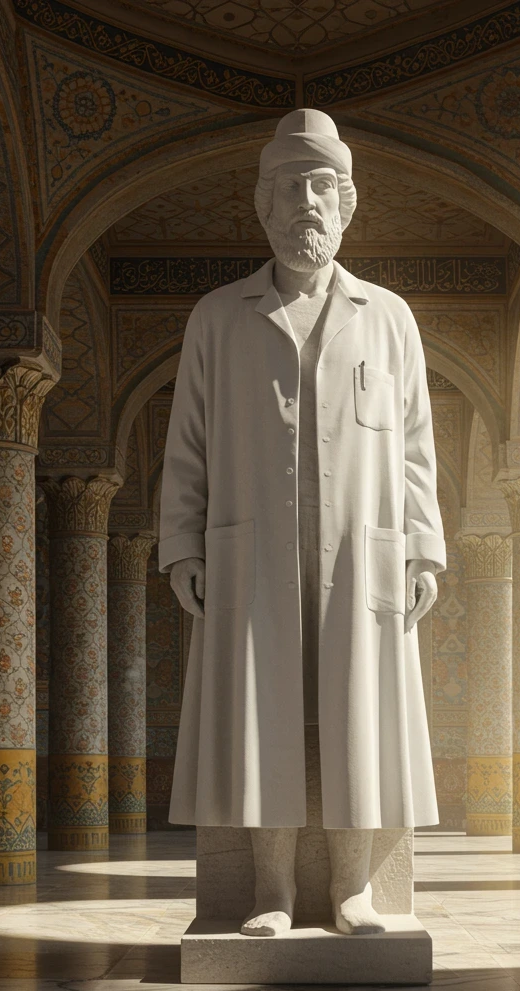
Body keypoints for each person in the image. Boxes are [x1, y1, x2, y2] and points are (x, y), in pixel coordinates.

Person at [159, 108, 445, 937]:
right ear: (263, 205)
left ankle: (352, 892)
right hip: (252, 557)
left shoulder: (389, 319)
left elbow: (419, 448)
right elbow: (189, 443)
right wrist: (182, 543)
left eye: (322, 186)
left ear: (348, 204)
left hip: (365, 558)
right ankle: (272, 893)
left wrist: (423, 546)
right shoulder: (218, 317)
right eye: (290, 188)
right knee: (262, 719)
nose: (306, 203)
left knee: (359, 717)